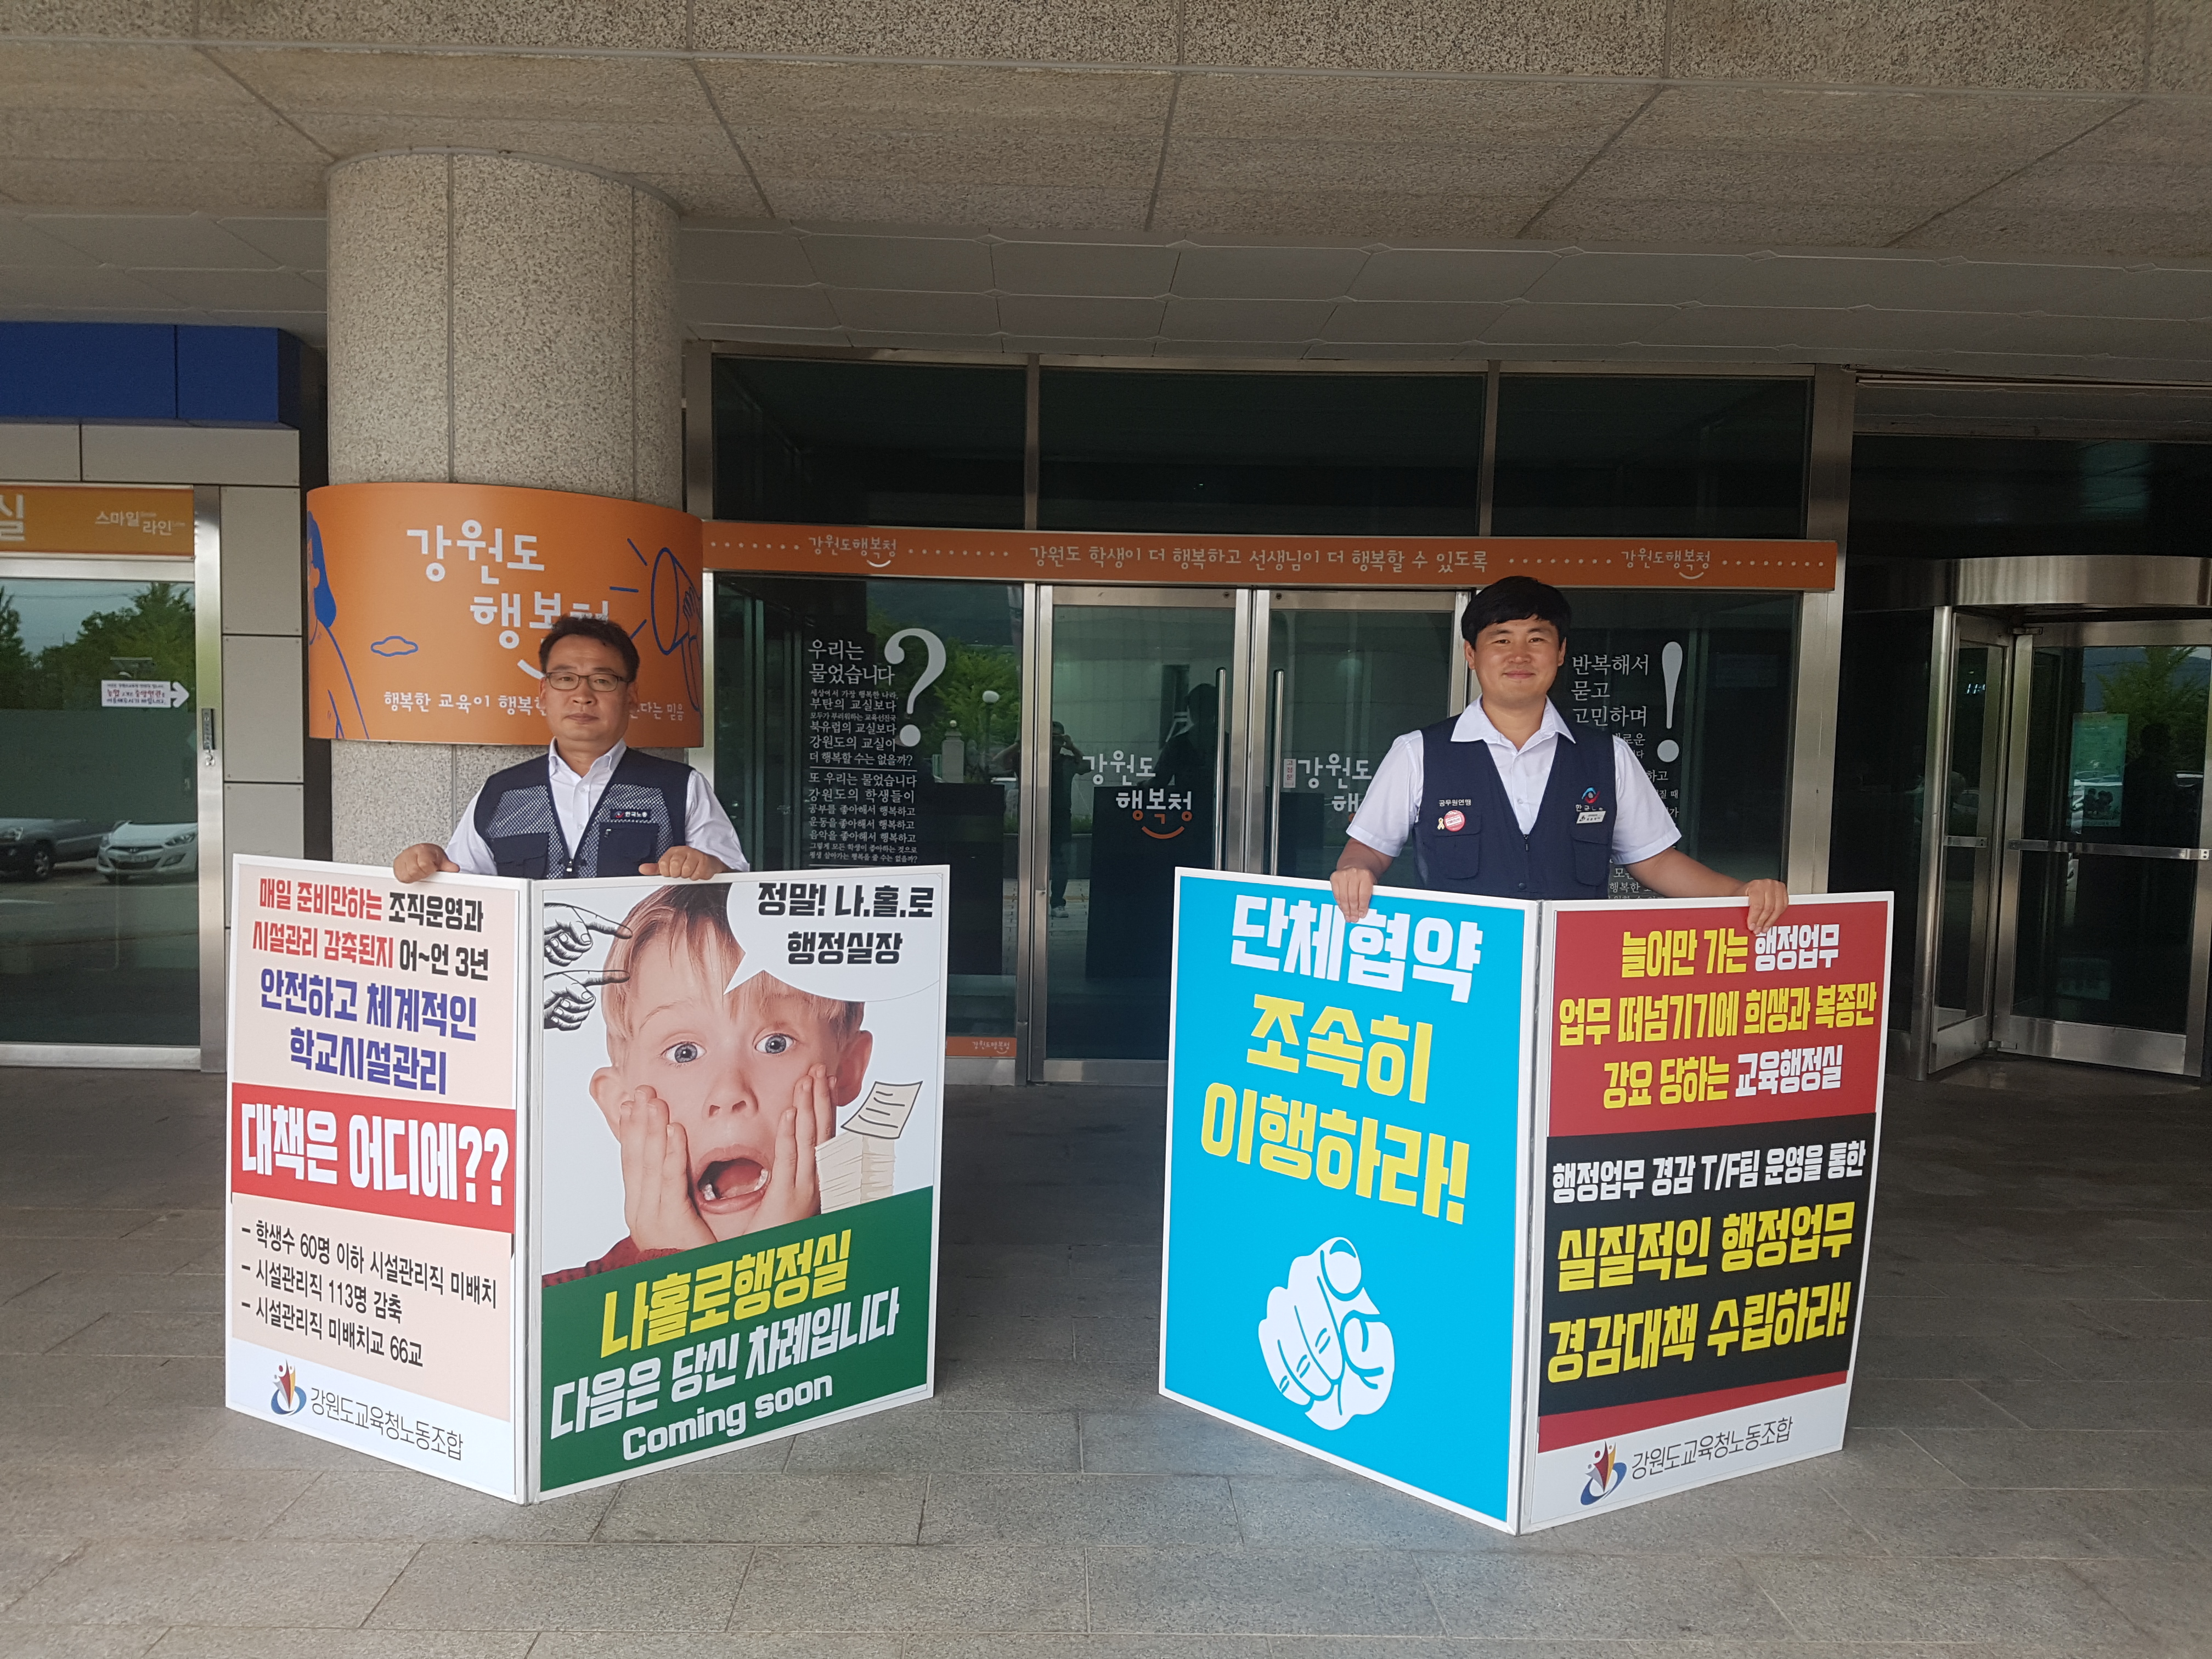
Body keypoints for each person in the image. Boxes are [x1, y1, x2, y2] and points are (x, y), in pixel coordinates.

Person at [1331, 575, 1789, 930]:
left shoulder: (1607, 756)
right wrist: (1354, 870)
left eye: (1537, 639)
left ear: (1561, 651)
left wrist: (1738, 892)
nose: (1519, 655)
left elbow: (1655, 861)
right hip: (1464, 975)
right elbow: (1369, 848)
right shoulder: (1419, 753)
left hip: (1575, 975)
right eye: (1501, 639)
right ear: (1471, 654)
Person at [549, 883, 872, 1282]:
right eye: (684, 1053)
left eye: (775, 1044)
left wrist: (776, 1261)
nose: (729, 1092)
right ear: (621, 1108)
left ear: (848, 1069)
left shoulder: (896, 1273)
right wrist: (671, 1269)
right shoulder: (552, 1303)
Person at [391, 615, 746, 884]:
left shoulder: (679, 787)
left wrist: (710, 868)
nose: (582, 695)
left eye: (602, 681)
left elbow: (737, 884)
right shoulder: (502, 792)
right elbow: (467, 885)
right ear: (543, 694)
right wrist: (432, 867)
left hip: (634, 962)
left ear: (631, 695)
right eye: (565, 679)